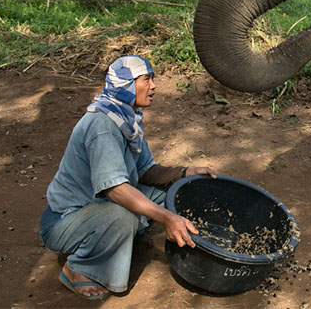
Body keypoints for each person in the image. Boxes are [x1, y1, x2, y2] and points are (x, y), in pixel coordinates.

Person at [39, 55, 216, 300]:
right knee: (123, 217)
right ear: (126, 84)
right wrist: (167, 218)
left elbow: (146, 171)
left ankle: (118, 237)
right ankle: (79, 268)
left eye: (153, 79)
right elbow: (116, 191)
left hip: (98, 208)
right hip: (65, 220)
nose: (154, 86)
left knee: (177, 189)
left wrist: (185, 173)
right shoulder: (102, 125)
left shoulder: (126, 118)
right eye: (146, 79)